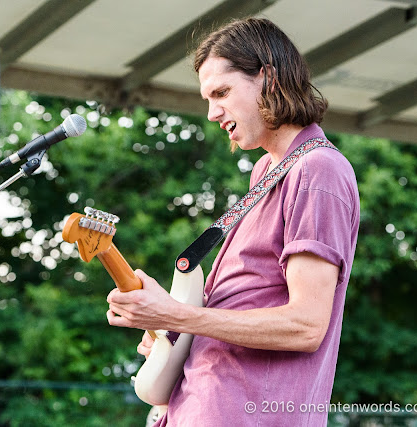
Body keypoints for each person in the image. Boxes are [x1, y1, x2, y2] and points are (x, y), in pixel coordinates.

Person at [106, 17, 359, 426]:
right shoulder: (267, 170)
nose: (212, 112)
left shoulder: (318, 170)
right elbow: (240, 302)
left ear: (268, 78)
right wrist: (166, 325)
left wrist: (172, 315)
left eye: (221, 92)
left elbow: (305, 325)